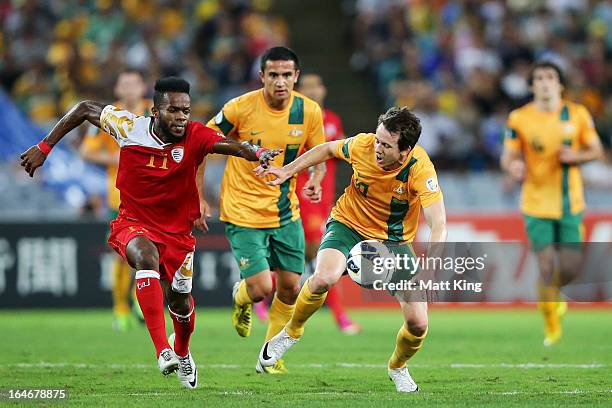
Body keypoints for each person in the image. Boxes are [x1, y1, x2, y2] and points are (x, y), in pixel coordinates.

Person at [20, 77, 281, 389]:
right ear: (155, 112)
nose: (182, 117)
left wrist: (257, 152)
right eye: (174, 111)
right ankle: (163, 350)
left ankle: (182, 352)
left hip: (178, 233)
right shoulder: (130, 127)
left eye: (186, 110)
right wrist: (45, 146)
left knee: (181, 302)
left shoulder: (195, 135)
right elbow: (83, 108)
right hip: (133, 221)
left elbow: (231, 145)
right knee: (146, 257)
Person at [254, 107, 447, 392]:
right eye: (378, 139)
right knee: (323, 278)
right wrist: (287, 170)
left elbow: (438, 224)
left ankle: (397, 367)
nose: (377, 148)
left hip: (393, 242)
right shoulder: (363, 144)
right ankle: (290, 332)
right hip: (348, 224)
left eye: (386, 145)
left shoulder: (420, 168)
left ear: (405, 151)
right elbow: (328, 149)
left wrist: (431, 268)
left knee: (418, 324)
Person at [204, 46, 326, 374]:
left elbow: (319, 155)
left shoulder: (310, 112)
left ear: (296, 77)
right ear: (262, 77)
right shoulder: (240, 108)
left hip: (286, 211)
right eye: (273, 75)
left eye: (287, 75)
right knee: (261, 289)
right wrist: (198, 195)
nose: (281, 81)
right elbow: (200, 143)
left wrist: (315, 177)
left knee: (290, 286)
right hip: (242, 210)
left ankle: (270, 356)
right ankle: (241, 296)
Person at [501, 61, 603, 346]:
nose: (545, 82)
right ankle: (551, 325)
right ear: (532, 86)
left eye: (550, 77)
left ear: (559, 84)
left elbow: (596, 150)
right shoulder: (519, 118)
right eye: (539, 78)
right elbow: (507, 156)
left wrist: (577, 156)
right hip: (535, 203)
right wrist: (514, 168)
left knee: (569, 269)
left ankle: (552, 296)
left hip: (571, 203)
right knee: (545, 267)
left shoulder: (578, 114)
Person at [79, 69, 151, 331]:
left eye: (135, 83)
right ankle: (120, 307)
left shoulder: (154, 112)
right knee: (123, 256)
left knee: (155, 249)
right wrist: (118, 159)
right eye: (125, 84)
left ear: (143, 87)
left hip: (153, 195)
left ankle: (138, 298)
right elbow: (86, 152)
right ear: (118, 90)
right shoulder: (107, 116)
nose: (130, 88)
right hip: (119, 196)